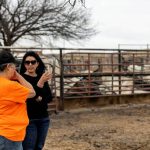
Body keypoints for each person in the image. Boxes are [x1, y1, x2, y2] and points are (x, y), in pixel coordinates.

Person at [0, 49, 35, 150]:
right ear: (8, 67)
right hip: (10, 134)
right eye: (14, 66)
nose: (15, 69)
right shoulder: (11, 86)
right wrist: (19, 77)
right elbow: (32, 92)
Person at [20, 51, 53, 150]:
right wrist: (39, 85)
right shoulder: (21, 79)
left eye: (33, 62)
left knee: (39, 147)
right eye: (27, 62)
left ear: (37, 63)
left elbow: (49, 97)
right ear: (24, 64)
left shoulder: (41, 77)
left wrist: (37, 98)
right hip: (29, 119)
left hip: (44, 118)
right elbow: (25, 99)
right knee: (29, 147)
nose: (30, 65)